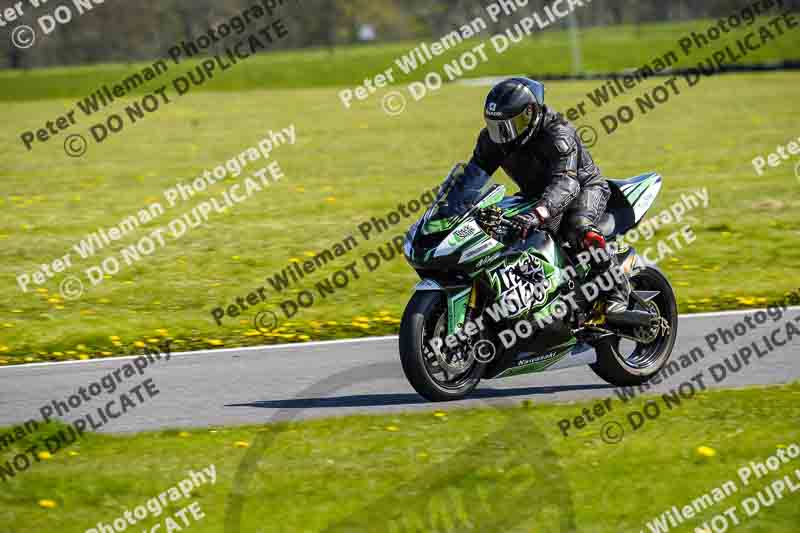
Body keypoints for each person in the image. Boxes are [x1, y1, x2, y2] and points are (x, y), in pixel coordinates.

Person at [468, 77, 629, 316]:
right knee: (504, 231)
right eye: (497, 126)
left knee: (578, 227)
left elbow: (567, 182)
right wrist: (452, 204)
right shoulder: (492, 140)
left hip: (583, 188)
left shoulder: (558, 133)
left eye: (511, 125)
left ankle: (616, 289)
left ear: (531, 112)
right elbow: (472, 176)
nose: (503, 135)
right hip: (536, 195)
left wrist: (538, 214)